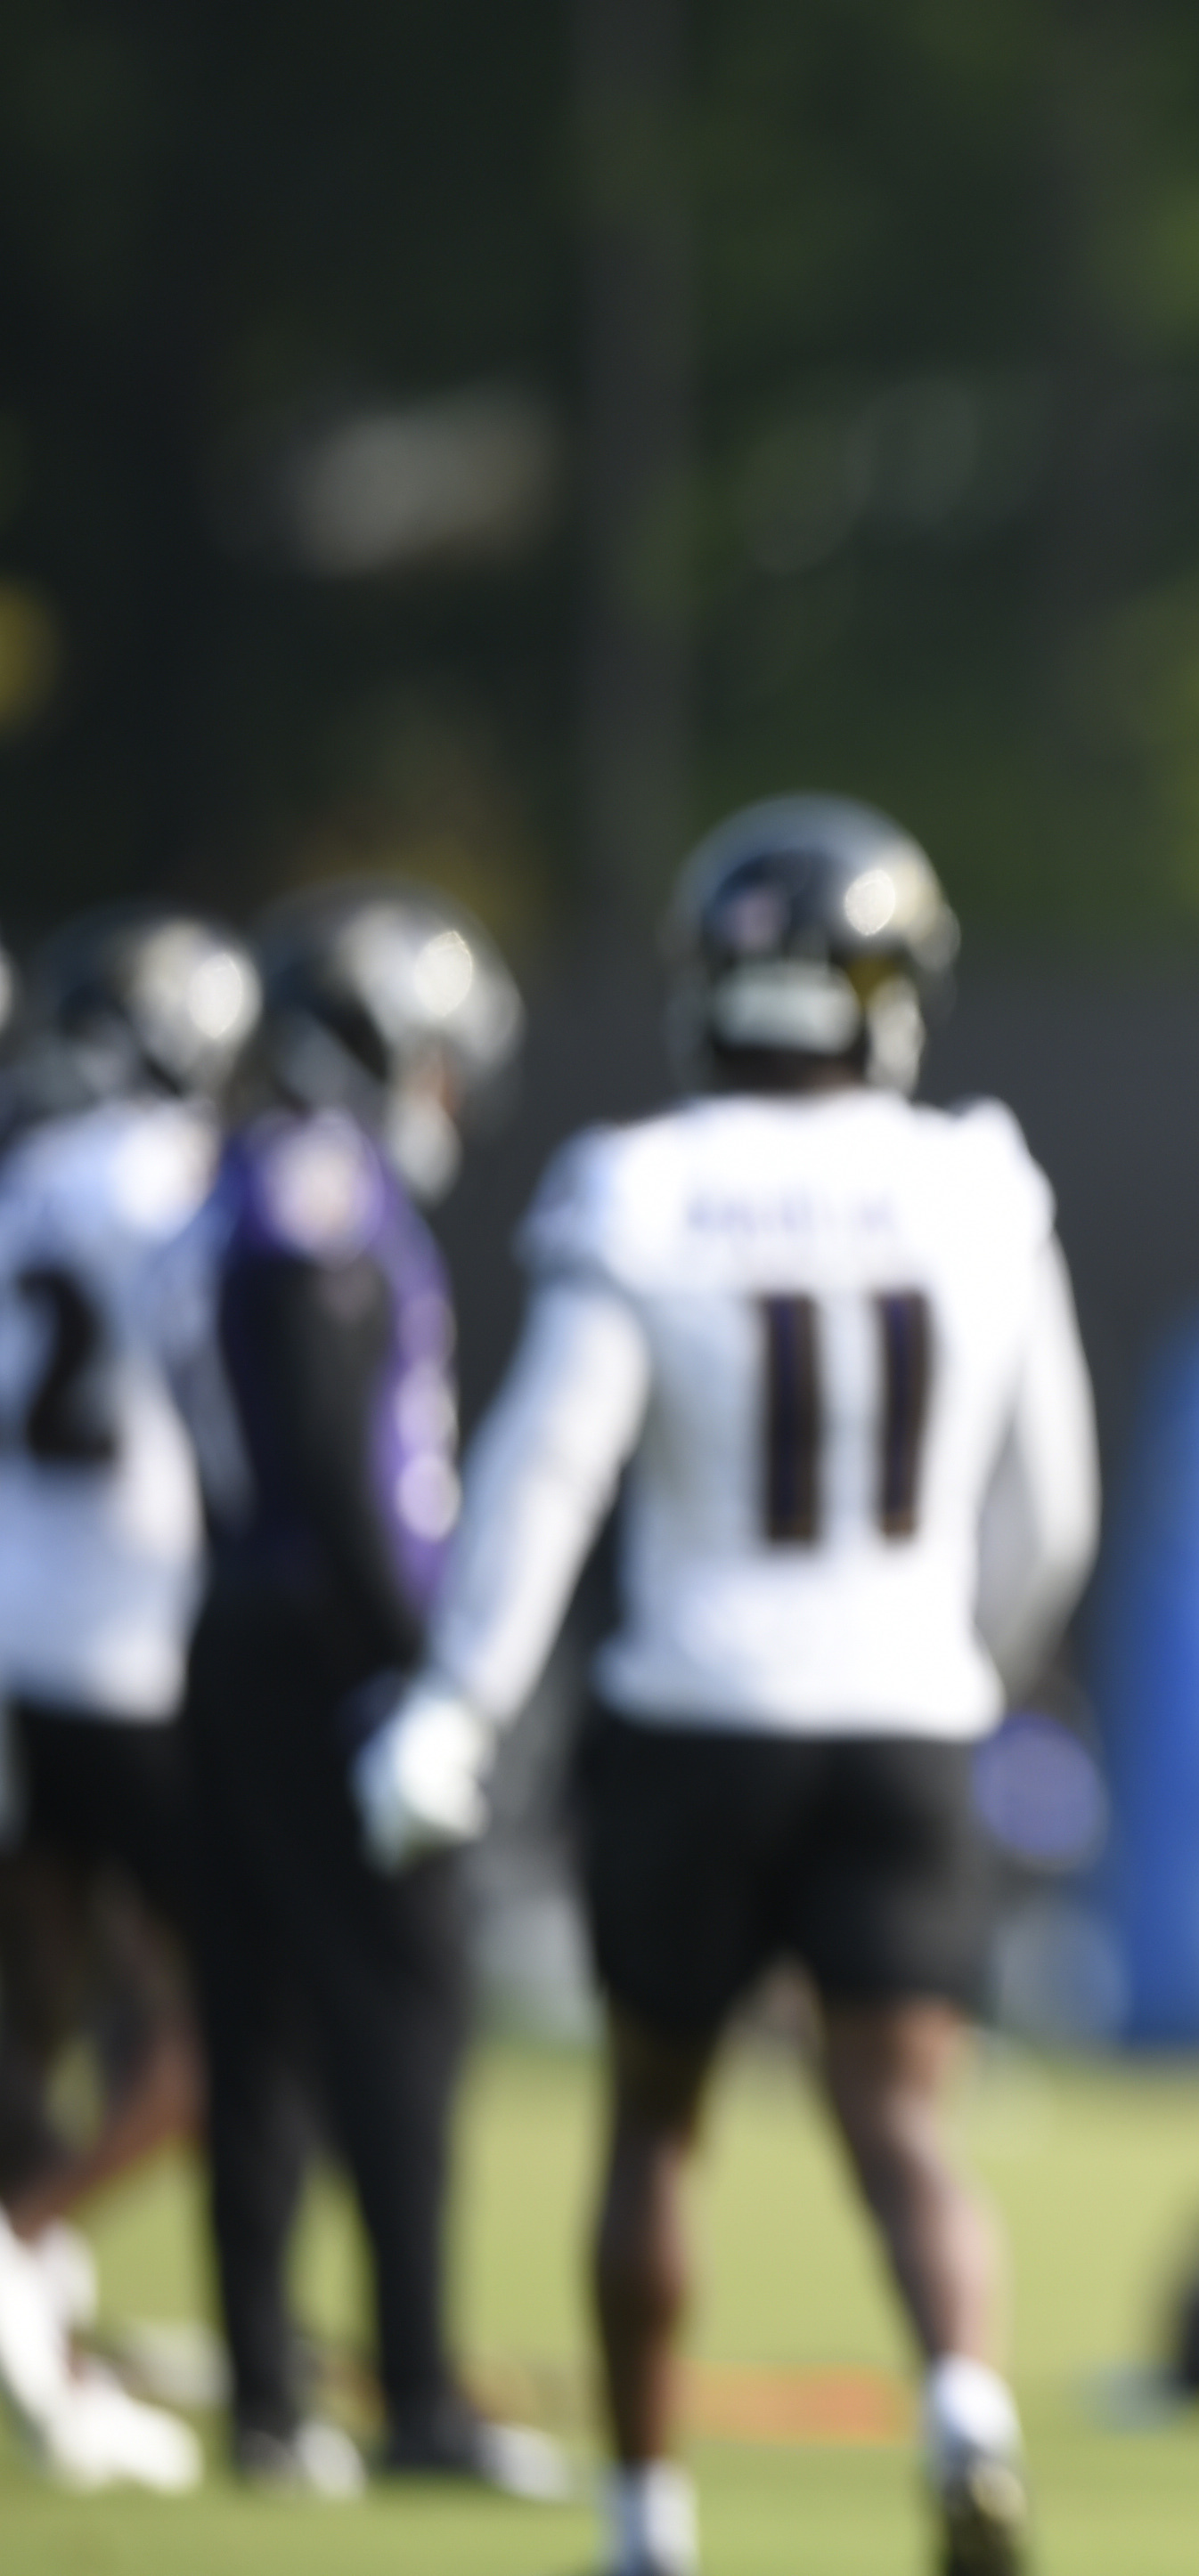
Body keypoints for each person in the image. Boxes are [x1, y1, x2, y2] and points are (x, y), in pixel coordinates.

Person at [352, 801, 1099, 2576]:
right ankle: (965, 2412)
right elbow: (1049, 1509)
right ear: (883, 991)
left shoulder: (645, 1186)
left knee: (654, 2125)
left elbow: (543, 1479)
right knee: (906, 2118)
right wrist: (962, 1668)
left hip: (691, 1710)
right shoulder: (977, 1184)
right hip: (904, 1708)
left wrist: (456, 1706)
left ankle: (648, 2519)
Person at [153, 882, 557, 2499]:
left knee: (256, 2022)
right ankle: (412, 2393)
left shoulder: (248, 1174)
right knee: (396, 2016)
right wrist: (422, 1663)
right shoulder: (319, 1181)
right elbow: (332, 1454)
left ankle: (268, 2393)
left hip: (233, 1627)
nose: (447, 1088)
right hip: (324, 1638)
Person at [0, 906, 251, 2495]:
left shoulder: (26, 1180)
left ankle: (49, 2328)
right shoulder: (188, 1186)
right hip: (144, 1655)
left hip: (16, 1646)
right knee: (218, 2020)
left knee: (26, 2014)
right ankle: (23, 2248)